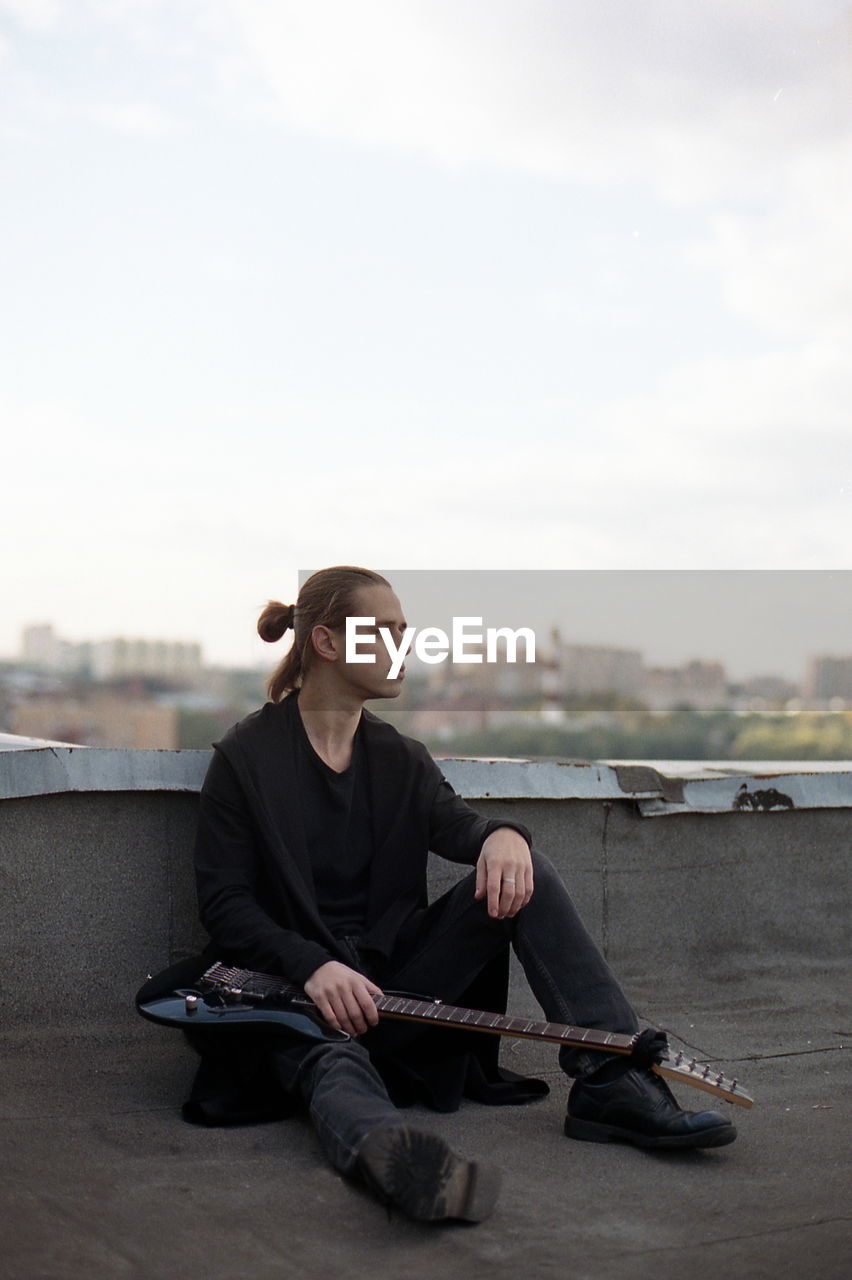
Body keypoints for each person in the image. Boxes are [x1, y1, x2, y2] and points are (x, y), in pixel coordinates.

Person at [189, 566, 736, 1224]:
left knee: (523, 866)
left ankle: (610, 1080)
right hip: (297, 999)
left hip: (400, 985)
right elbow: (225, 904)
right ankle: (402, 1163)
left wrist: (504, 836)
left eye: (404, 632)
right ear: (328, 644)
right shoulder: (247, 758)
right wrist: (313, 966)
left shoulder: (401, 758)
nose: (402, 648)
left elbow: (460, 827)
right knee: (334, 1067)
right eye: (385, 632)